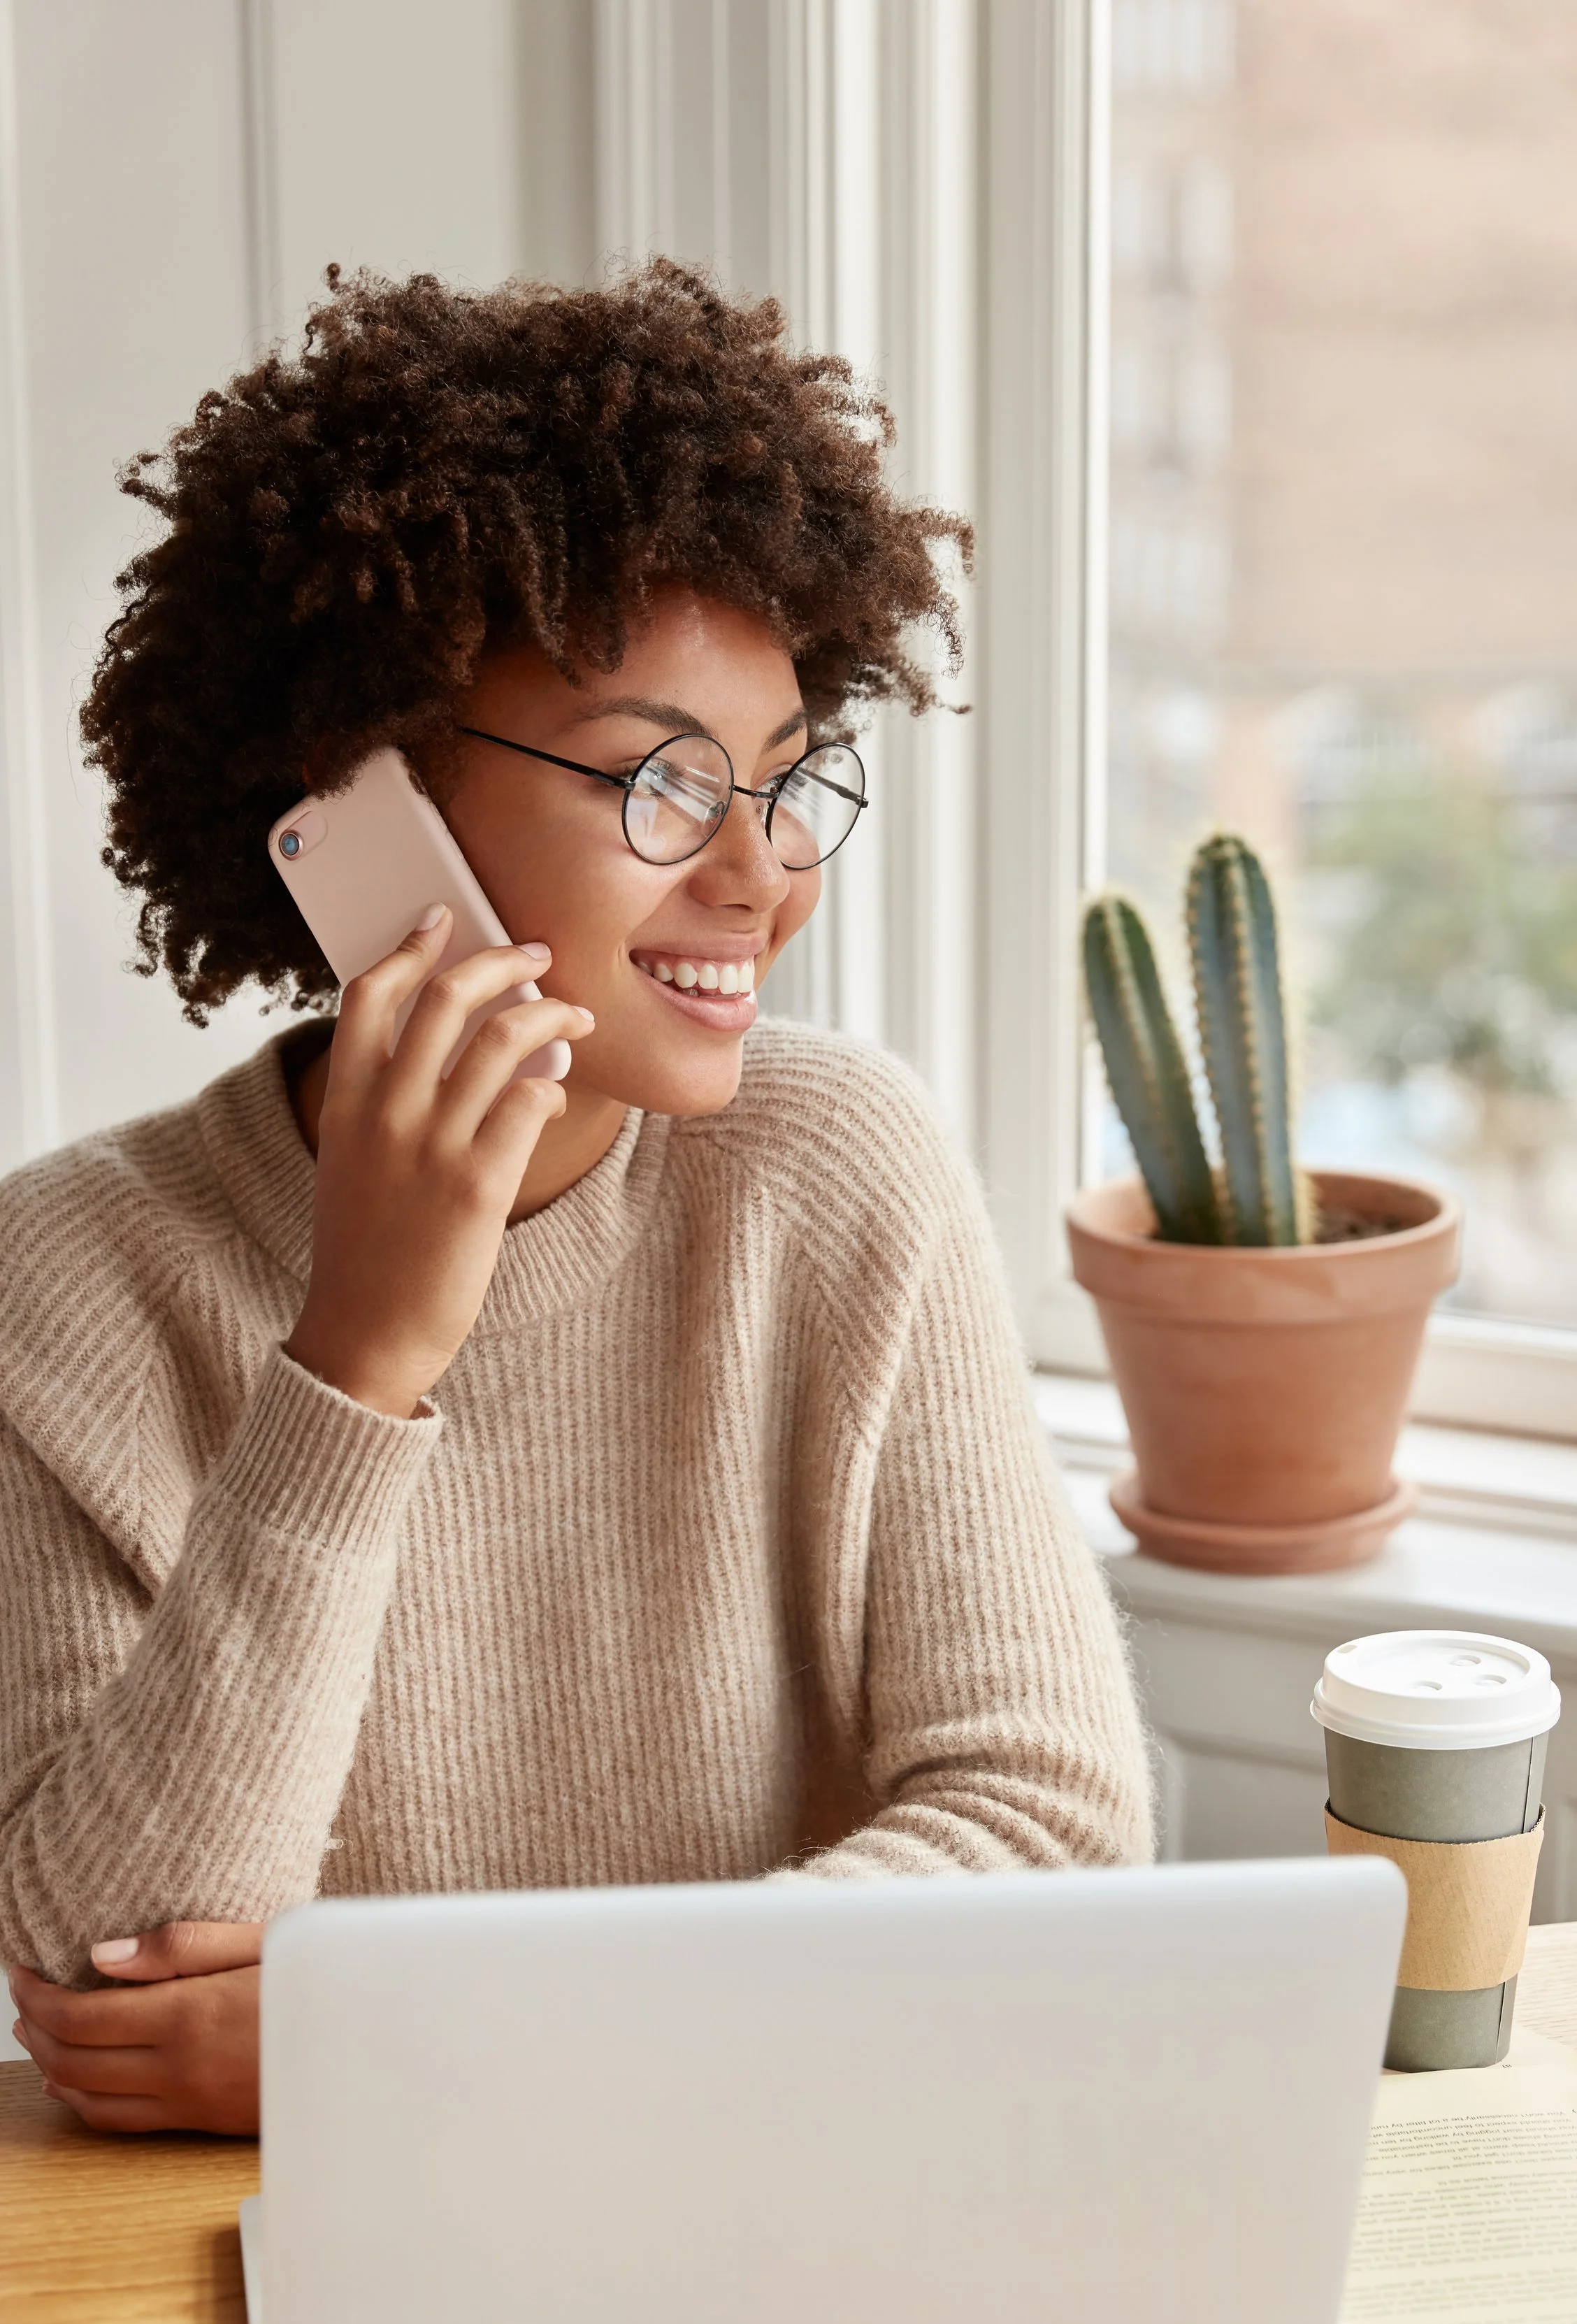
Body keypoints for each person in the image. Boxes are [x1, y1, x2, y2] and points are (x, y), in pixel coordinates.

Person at [0, 261, 1151, 2139]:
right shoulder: (64, 1282)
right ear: (363, 803)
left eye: (786, 784)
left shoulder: (836, 1173)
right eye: (658, 788)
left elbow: (1050, 1833)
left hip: (777, 2196)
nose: (759, 877)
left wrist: (408, 2039)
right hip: (270, 2282)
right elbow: (114, 1985)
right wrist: (359, 1358)